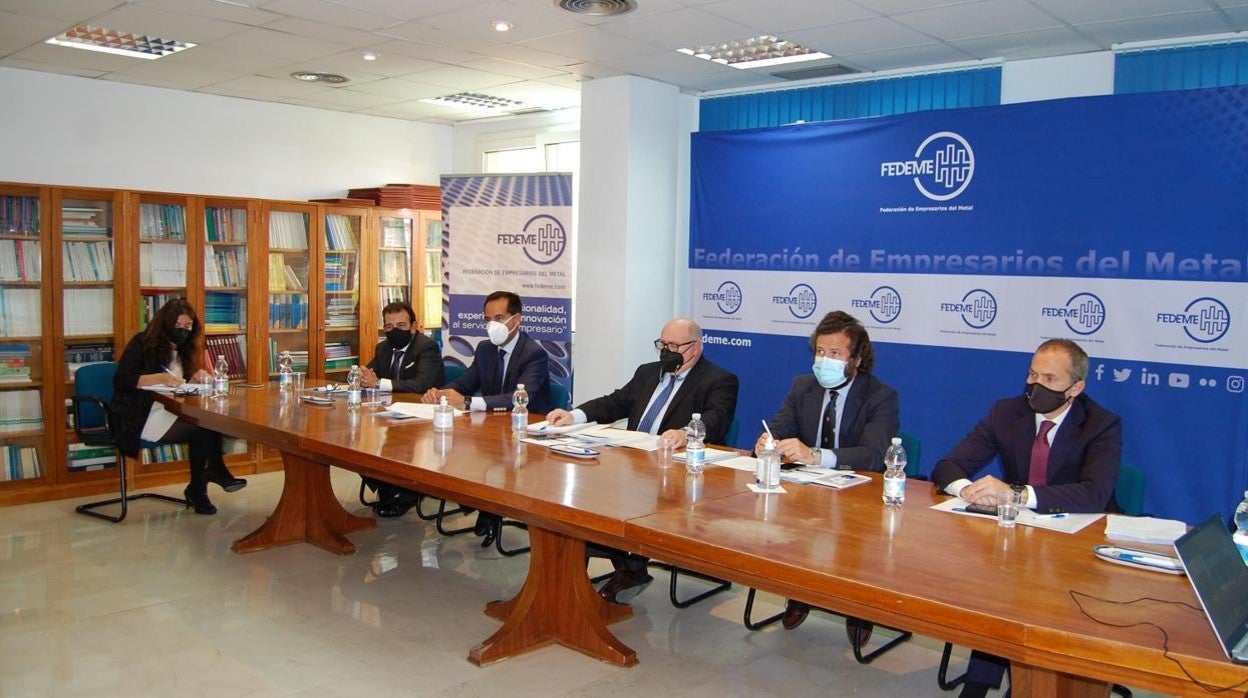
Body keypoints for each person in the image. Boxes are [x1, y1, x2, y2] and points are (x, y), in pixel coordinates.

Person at [930, 338, 1122, 698]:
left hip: (1078, 544)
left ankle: (1037, 682)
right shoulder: (1007, 411)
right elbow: (947, 466)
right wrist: (965, 489)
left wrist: (1017, 495)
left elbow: (1095, 493)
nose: (1036, 386)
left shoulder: (1101, 424)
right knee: (999, 588)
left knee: (1028, 591)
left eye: (1050, 379)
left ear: (1075, 388)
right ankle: (981, 682)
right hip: (1019, 539)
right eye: (1032, 374)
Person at [546, 317, 739, 604]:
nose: (667, 351)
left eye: (675, 346)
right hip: (631, 464)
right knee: (580, 501)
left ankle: (630, 568)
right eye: (663, 344)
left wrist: (686, 433)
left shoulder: (719, 380)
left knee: (620, 505)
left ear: (695, 348)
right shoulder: (648, 372)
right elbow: (615, 402)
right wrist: (574, 415)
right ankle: (573, 585)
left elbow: (717, 420)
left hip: (673, 474)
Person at [754, 310, 899, 637]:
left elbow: (875, 456)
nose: (824, 360)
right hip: (803, 492)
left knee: (850, 533)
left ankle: (856, 608)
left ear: (856, 360)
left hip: (855, 495)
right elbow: (777, 427)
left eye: (835, 354)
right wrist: (768, 442)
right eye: (820, 352)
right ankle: (800, 592)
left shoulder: (880, 396)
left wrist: (816, 455)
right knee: (779, 519)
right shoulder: (803, 385)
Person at [422, 291, 552, 544]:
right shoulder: (485, 348)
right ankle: (484, 507)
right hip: (494, 429)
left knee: (482, 459)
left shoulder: (533, 353)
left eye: (499, 317)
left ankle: (490, 510)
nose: (492, 325)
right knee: (453, 455)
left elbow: (519, 398)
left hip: (528, 433)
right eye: (487, 319)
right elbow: (466, 383)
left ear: (517, 320)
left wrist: (469, 402)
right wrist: (443, 393)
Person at [111, 298, 247, 515]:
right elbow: (122, 380)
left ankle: (202, 485)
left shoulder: (187, 348)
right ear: (165, 324)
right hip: (141, 413)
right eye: (177, 326)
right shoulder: (142, 342)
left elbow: (182, 385)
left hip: (172, 409)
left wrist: (197, 378)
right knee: (202, 429)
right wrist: (158, 378)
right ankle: (205, 482)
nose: (183, 331)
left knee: (206, 424)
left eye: (188, 327)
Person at [358, 300, 446, 518]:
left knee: (400, 444)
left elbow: (421, 385)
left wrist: (378, 383)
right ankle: (386, 489)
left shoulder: (426, 347)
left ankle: (409, 493)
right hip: (391, 415)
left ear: (414, 326)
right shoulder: (383, 348)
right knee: (358, 445)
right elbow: (369, 374)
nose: (394, 331)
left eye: (401, 325)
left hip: (424, 416)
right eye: (389, 327)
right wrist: (361, 376)